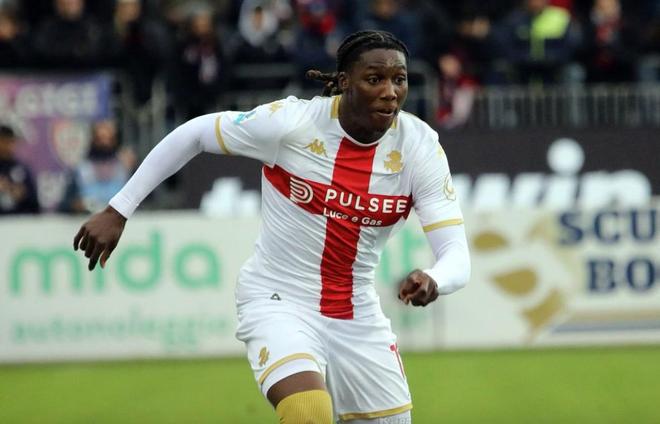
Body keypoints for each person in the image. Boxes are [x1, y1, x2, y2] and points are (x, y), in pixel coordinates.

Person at [72, 30, 471, 423]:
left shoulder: (418, 148)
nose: (390, 92)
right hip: (279, 298)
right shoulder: (292, 124)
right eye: (374, 79)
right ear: (345, 82)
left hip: (357, 312)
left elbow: (456, 253)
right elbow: (194, 134)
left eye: (399, 79)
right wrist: (119, 209)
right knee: (308, 411)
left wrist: (435, 278)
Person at [0, 124, 40, 215]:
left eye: (10, 141)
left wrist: (23, 195)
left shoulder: (22, 168)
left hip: (20, 220)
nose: (7, 145)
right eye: (3, 141)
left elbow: (35, 205)